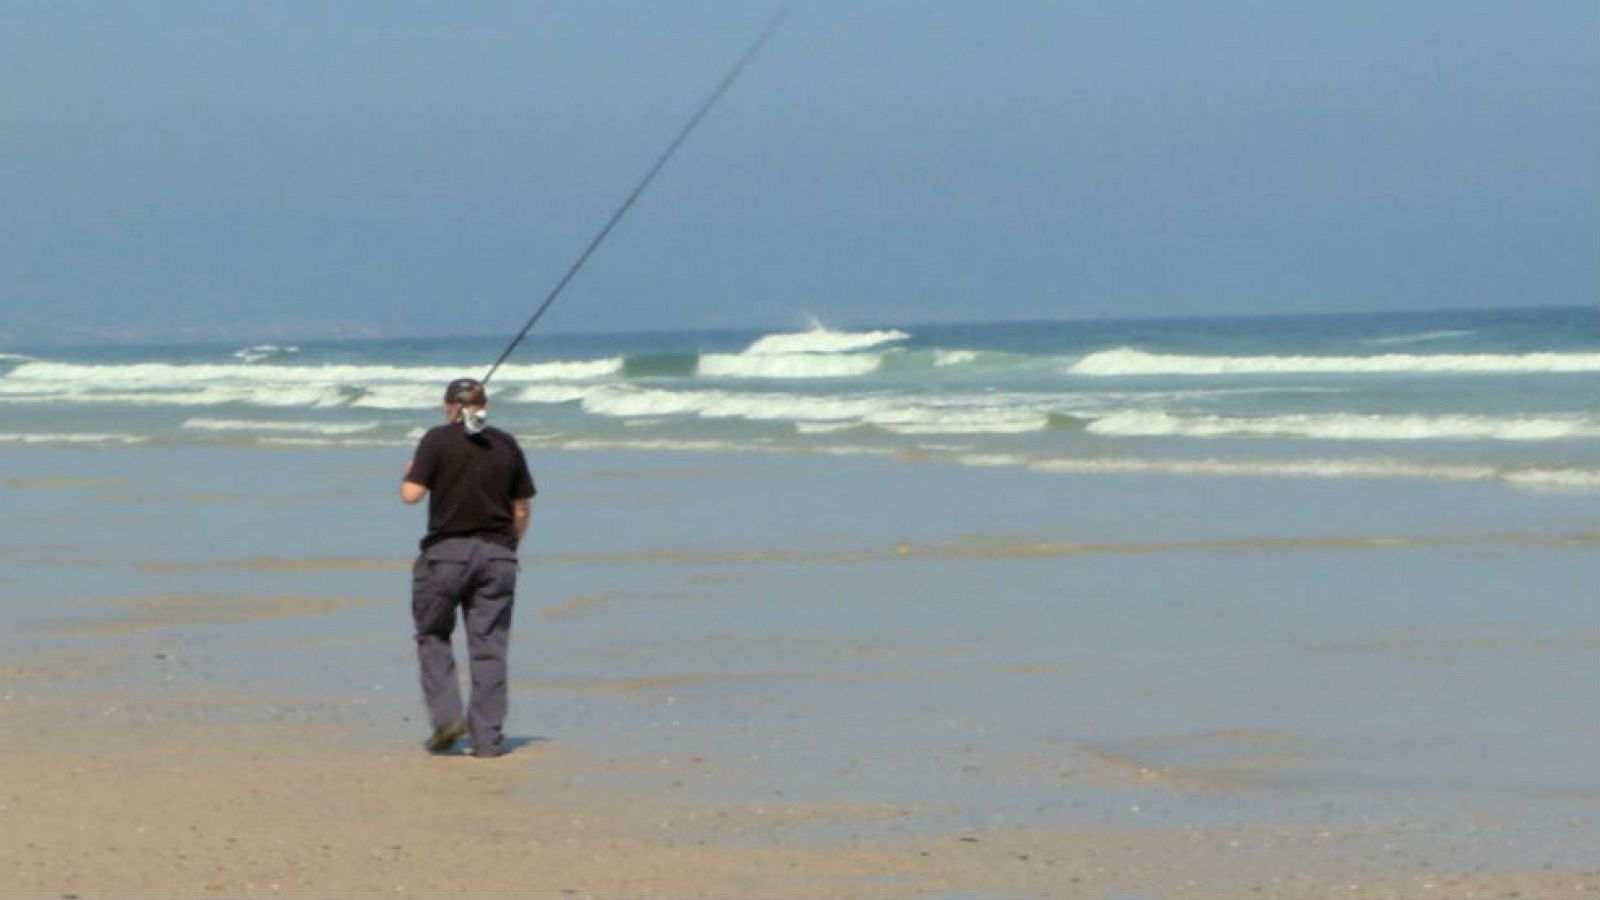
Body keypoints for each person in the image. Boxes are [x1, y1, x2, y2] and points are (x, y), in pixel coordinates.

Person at [400, 377, 535, 757]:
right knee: (489, 646)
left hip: (445, 555)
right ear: (484, 406)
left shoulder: (436, 439)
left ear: (449, 407)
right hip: (497, 557)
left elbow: (411, 495)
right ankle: (487, 740)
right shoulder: (506, 444)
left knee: (432, 635)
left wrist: (412, 469)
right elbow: (521, 507)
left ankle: (446, 719)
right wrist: (509, 548)